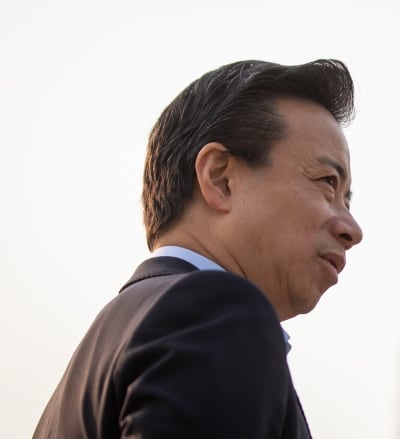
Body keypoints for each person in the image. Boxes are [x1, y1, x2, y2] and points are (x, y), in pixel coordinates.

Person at [33, 59, 363, 438]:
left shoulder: (102, 348)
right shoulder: (217, 316)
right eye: (326, 182)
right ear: (220, 179)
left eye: (348, 201)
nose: (352, 229)